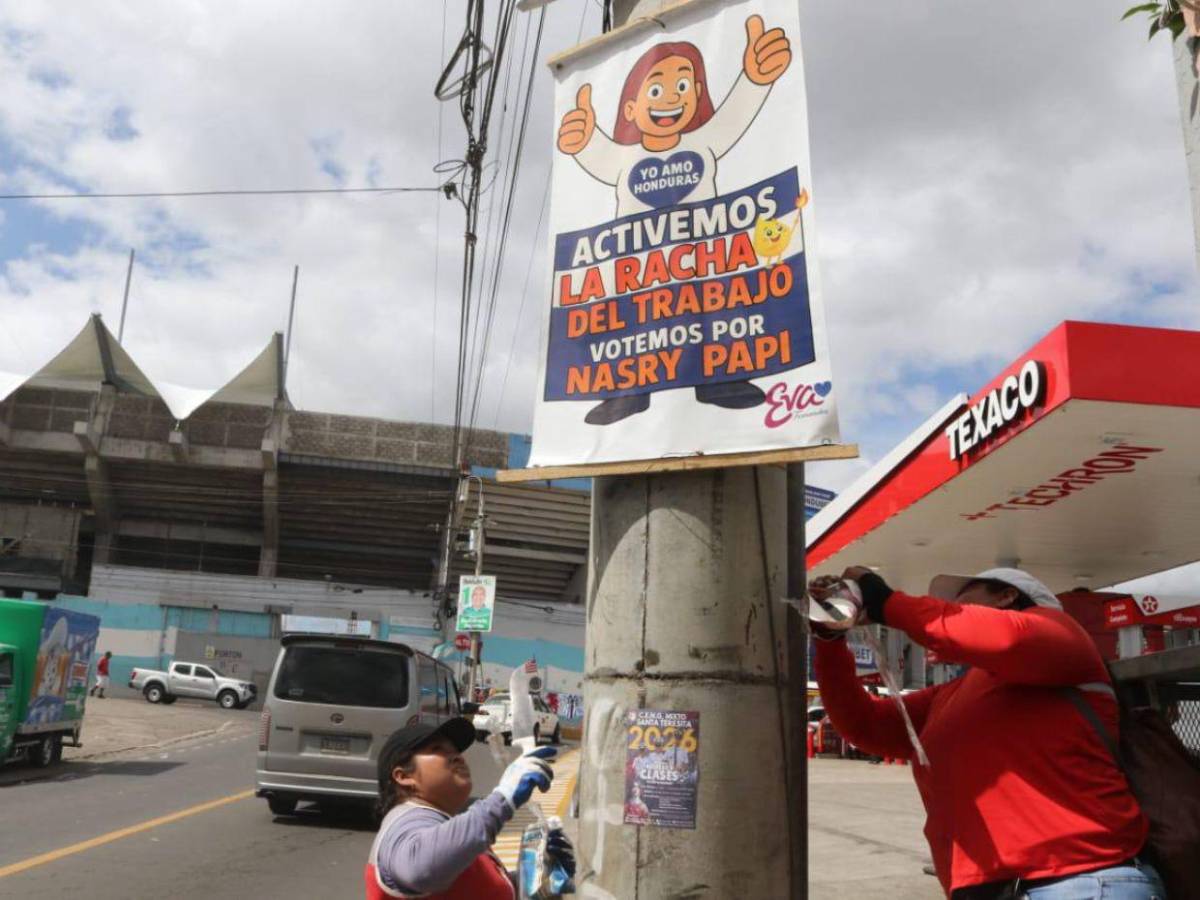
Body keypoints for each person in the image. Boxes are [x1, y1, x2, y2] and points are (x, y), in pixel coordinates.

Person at [809, 566, 1166, 899]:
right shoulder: (953, 694)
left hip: (1079, 879)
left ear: (1007, 597)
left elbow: (1004, 639)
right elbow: (863, 724)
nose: (949, 608)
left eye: (963, 597)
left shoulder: (1061, 634)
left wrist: (885, 601)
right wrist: (829, 643)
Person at [555, 14, 793, 425]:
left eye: (682, 86)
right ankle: (627, 395)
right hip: (638, 272)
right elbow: (592, 153)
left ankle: (722, 383)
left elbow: (735, 116)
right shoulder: (623, 159)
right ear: (631, 107)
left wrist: (754, 79)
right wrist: (581, 138)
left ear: (697, 93)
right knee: (627, 333)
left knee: (716, 325)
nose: (669, 99)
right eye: (656, 89)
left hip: (701, 265)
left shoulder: (703, 142)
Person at [366, 717, 575, 899]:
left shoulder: (447, 830)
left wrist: (536, 876)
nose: (457, 756)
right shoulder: (406, 822)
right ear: (404, 776)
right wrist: (503, 799)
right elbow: (416, 870)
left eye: (455, 751)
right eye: (437, 750)